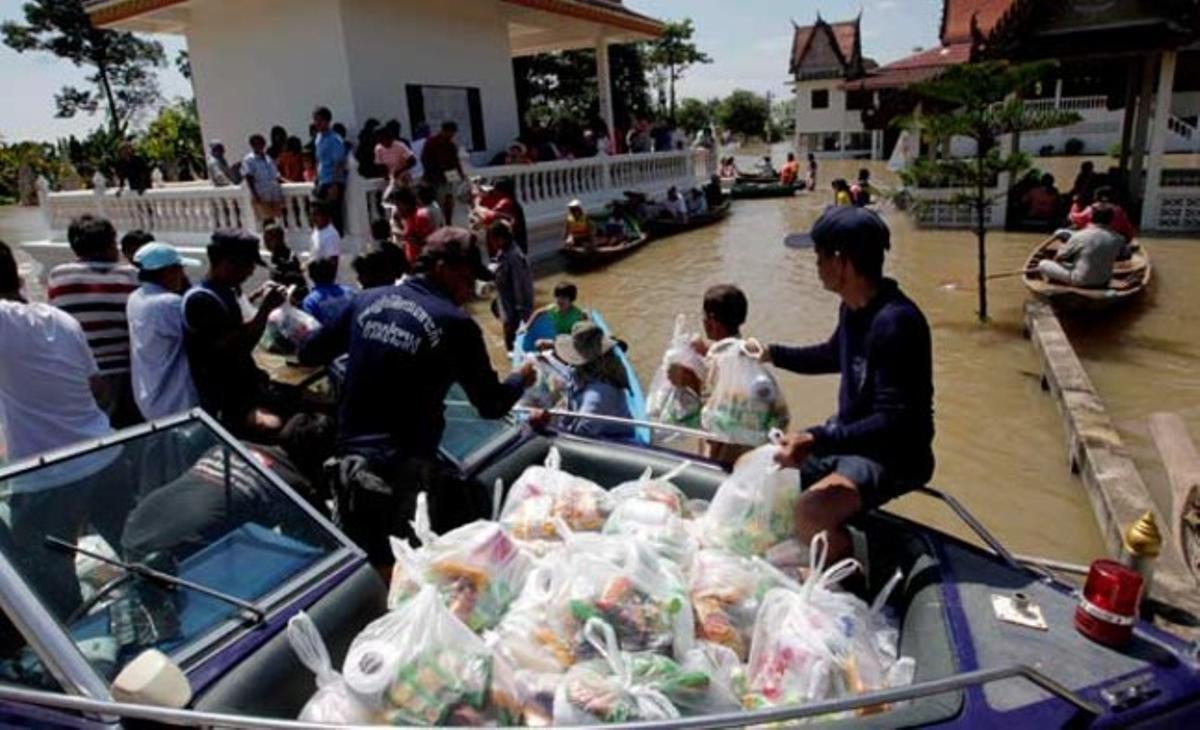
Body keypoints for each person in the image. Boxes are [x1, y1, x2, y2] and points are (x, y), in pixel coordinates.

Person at [299, 228, 535, 566]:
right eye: (467, 279)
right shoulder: (456, 325)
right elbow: (491, 404)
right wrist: (520, 378)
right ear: (442, 268)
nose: (469, 291)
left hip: (349, 467)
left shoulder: (365, 300)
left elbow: (309, 351)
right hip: (402, 475)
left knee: (371, 564)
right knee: (406, 572)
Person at [768, 206, 935, 563]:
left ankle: (857, 569)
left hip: (893, 453)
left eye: (819, 257)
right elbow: (832, 355)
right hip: (852, 437)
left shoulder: (897, 322)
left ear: (841, 263)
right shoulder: (853, 308)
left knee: (810, 511)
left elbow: (893, 421)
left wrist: (816, 437)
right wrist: (770, 354)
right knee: (768, 468)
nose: (815, 266)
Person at [0, 239, 131, 618]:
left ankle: (81, 657)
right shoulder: (59, 319)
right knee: (135, 552)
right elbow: (98, 386)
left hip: (48, 479)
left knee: (50, 584)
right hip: (105, 455)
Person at [182, 229, 289, 438]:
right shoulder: (201, 300)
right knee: (276, 428)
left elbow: (235, 330)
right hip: (227, 402)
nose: (250, 272)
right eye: (247, 265)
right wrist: (265, 310)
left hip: (246, 389)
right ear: (227, 262)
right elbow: (235, 347)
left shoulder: (226, 292)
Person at [48, 215, 142, 427]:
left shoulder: (58, 276)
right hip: (125, 374)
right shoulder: (132, 276)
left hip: (80, 375)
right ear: (111, 243)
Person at [669, 284, 755, 465]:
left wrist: (691, 381)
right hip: (749, 442)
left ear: (712, 321)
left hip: (729, 453)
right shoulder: (746, 350)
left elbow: (715, 415)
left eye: (704, 316)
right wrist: (705, 350)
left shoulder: (720, 362)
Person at [127, 242, 202, 421]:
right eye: (179, 270)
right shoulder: (168, 304)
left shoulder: (135, 297)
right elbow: (202, 336)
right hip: (175, 399)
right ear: (167, 272)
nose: (183, 276)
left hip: (150, 395)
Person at [535, 321, 634, 441]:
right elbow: (570, 378)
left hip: (611, 444)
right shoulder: (587, 373)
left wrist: (544, 426)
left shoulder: (597, 396)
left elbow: (579, 436)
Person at [1037, 204, 1125, 288]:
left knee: (1043, 263)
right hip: (1104, 281)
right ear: (1111, 220)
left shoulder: (1080, 235)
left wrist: (1059, 260)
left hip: (1079, 280)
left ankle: (1056, 283)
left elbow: (1059, 257)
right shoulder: (1119, 238)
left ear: (1091, 217)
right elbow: (1124, 255)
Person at [490, 222, 534, 352]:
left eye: (494, 239)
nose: (493, 243)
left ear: (502, 238)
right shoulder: (503, 253)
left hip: (515, 310)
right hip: (506, 306)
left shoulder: (514, 256)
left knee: (516, 347)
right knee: (511, 344)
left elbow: (520, 284)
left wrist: (520, 311)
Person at [421, 121, 466, 226]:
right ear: (444, 131)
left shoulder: (451, 145)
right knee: (436, 204)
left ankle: (449, 223)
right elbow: (425, 160)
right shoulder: (431, 143)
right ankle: (439, 224)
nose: (451, 135)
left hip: (447, 177)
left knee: (448, 202)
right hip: (434, 178)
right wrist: (433, 174)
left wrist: (461, 174)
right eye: (450, 132)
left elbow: (455, 161)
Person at [313, 106, 348, 234]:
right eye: (315, 120)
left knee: (334, 214)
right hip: (322, 180)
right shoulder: (318, 138)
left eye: (320, 120)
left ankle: (339, 242)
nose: (317, 123)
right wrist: (316, 177)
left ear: (327, 121)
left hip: (333, 181)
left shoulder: (334, 139)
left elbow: (339, 162)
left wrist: (334, 184)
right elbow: (319, 160)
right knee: (321, 214)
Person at [1069, 185, 1136, 243]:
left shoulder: (1091, 209)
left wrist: (1075, 203)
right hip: (1113, 243)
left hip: (1093, 240)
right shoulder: (1119, 211)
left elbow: (1074, 218)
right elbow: (1128, 231)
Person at [388, 186, 436, 267]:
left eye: (398, 205)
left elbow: (424, 242)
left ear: (407, 204)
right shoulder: (407, 219)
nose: (397, 209)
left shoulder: (420, 217)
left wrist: (400, 234)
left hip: (424, 266)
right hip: (413, 264)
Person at [243, 134, 285, 221]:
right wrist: (255, 195)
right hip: (261, 194)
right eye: (257, 144)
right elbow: (248, 177)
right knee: (266, 220)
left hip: (274, 193)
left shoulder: (268, 158)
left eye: (261, 143)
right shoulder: (249, 160)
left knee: (277, 219)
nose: (260, 146)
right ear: (252, 146)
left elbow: (276, 175)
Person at [302, 257, 355, 326]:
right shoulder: (350, 293)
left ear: (311, 276)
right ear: (334, 274)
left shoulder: (310, 301)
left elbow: (311, 330)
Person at [263, 221, 306, 289]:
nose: (265, 243)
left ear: (278, 239)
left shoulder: (288, 259)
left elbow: (295, 284)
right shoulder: (276, 256)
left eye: (268, 240)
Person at [309, 200, 343, 272]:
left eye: (316, 214)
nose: (313, 218)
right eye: (312, 215)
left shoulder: (331, 236)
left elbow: (333, 263)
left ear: (325, 216)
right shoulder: (316, 230)